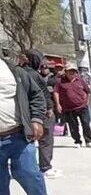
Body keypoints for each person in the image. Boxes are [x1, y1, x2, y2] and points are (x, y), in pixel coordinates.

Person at [0, 57, 52, 195]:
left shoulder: (15, 72)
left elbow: (36, 95)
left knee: (28, 173)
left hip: (17, 134)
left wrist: (36, 119)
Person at [21, 50, 60, 178]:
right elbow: (41, 94)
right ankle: (45, 167)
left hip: (24, 112)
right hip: (41, 112)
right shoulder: (33, 75)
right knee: (46, 139)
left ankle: (28, 168)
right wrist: (49, 108)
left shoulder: (18, 72)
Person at [54, 63, 91, 148]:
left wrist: (87, 101)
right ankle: (77, 141)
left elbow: (88, 92)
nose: (72, 74)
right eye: (70, 72)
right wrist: (57, 104)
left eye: (73, 72)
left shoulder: (80, 80)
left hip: (82, 106)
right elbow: (56, 92)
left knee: (86, 123)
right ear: (66, 72)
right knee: (73, 126)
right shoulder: (60, 81)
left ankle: (88, 141)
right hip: (69, 108)